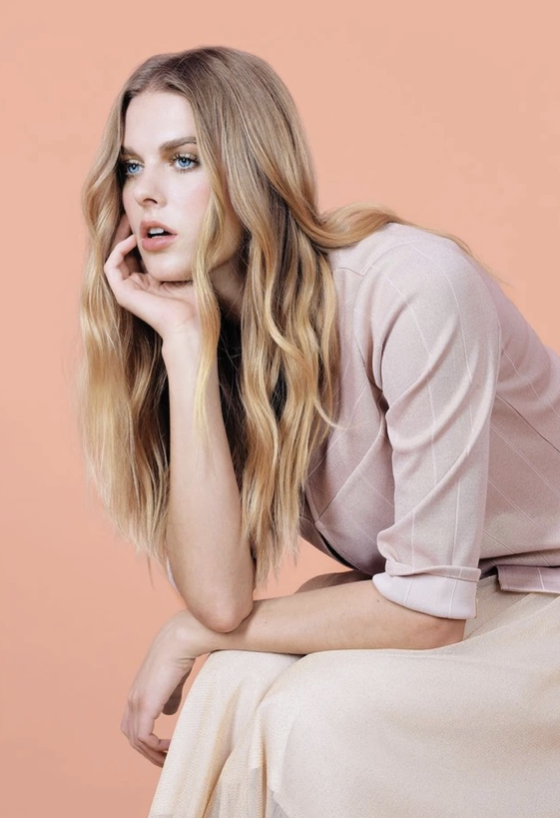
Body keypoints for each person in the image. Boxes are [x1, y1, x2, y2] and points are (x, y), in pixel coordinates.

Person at [76, 46, 560, 818]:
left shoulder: (412, 289)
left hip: (539, 604)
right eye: (132, 167)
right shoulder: (219, 341)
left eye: (184, 159)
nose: (147, 194)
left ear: (254, 170)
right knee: (229, 687)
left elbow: (428, 608)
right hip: (465, 603)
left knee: (313, 718)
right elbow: (222, 599)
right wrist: (187, 347)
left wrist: (185, 633)